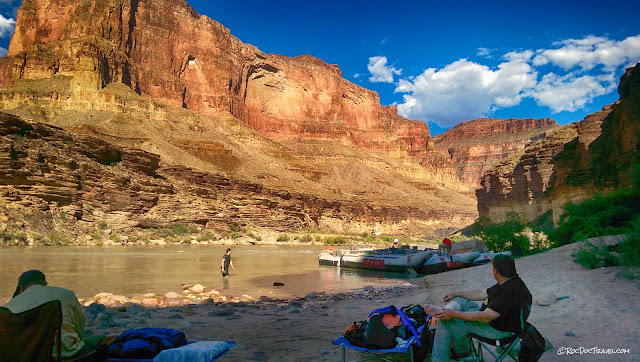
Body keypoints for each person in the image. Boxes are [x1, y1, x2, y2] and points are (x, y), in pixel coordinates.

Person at [425, 254, 532, 362]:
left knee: (445, 324)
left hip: (497, 330)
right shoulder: (511, 282)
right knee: (460, 300)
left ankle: (438, 359)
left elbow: (485, 317)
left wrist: (454, 314)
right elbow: (482, 293)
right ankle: (444, 311)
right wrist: (456, 293)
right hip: (500, 321)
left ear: (496, 271)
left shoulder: (507, 293)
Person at [2, 270, 109, 359]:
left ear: (21, 288)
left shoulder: (8, 307)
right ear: (44, 284)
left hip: (28, 356)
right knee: (107, 339)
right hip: (64, 353)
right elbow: (79, 326)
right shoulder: (67, 294)